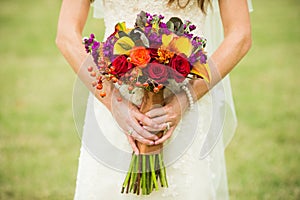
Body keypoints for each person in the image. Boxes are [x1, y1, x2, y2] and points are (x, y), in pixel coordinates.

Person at [56, 0, 252, 199]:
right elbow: (66, 34)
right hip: (113, 102)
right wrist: (114, 103)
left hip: (188, 101)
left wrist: (186, 99)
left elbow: (240, 35)